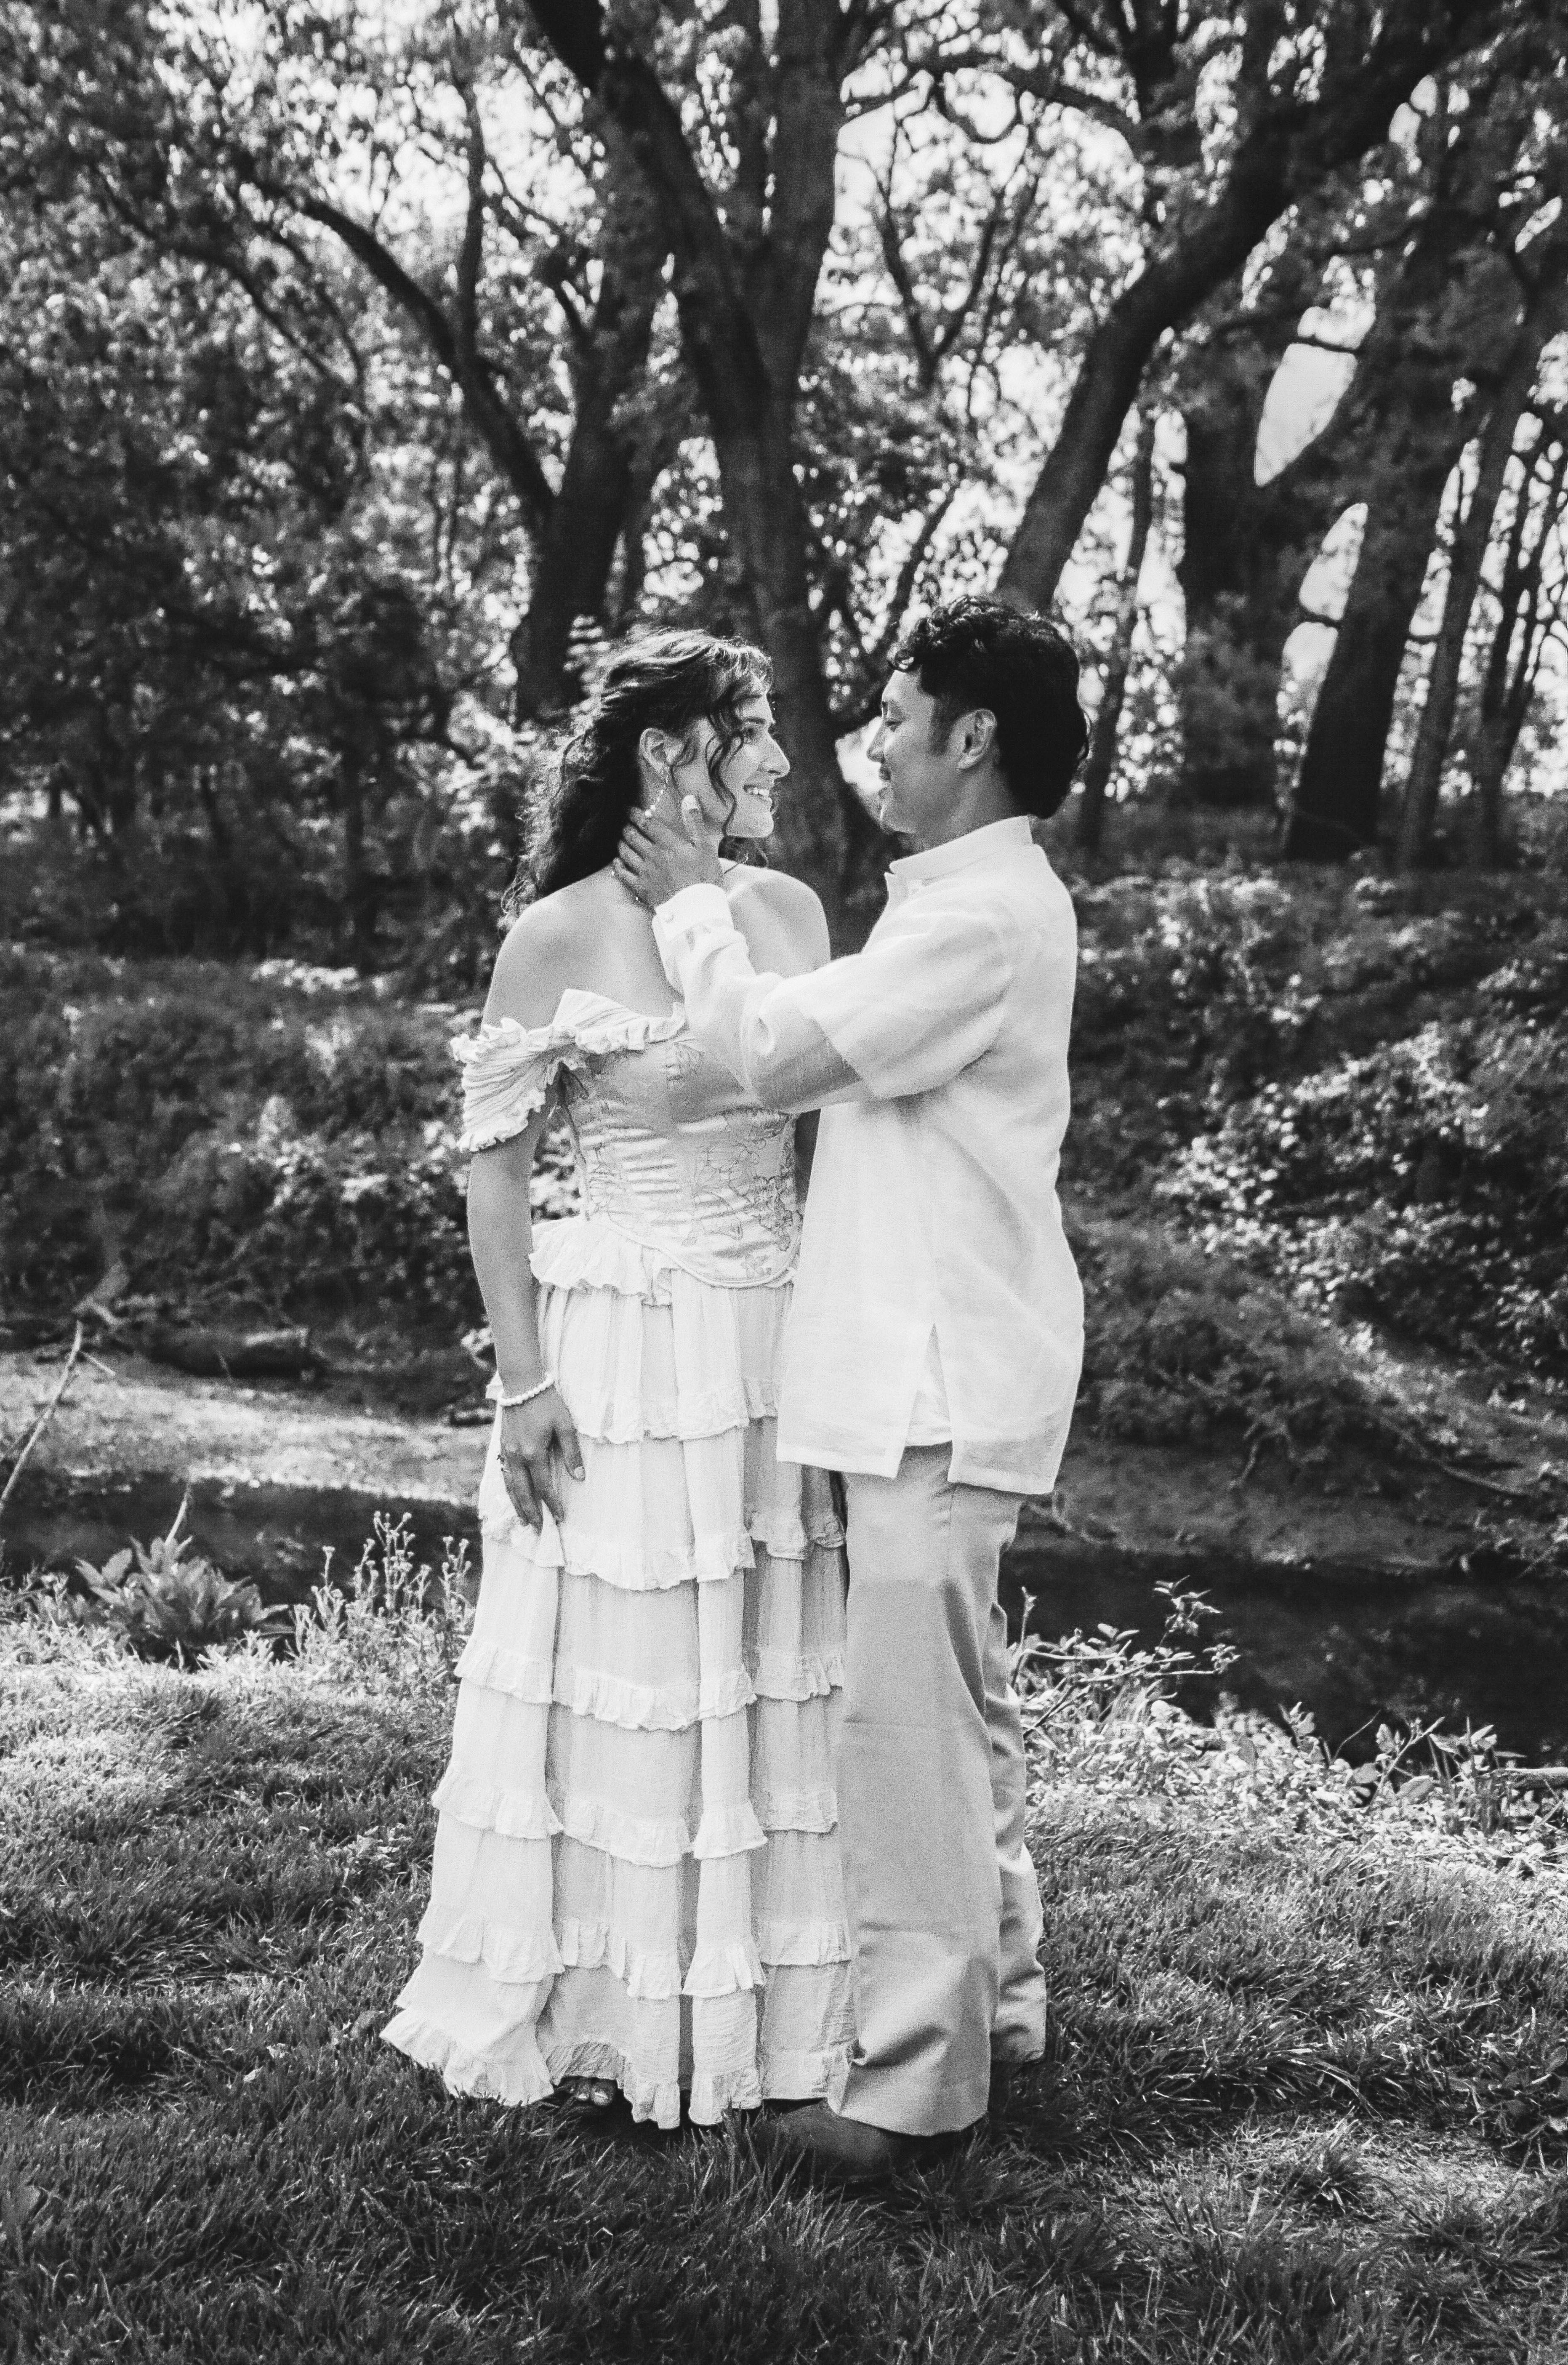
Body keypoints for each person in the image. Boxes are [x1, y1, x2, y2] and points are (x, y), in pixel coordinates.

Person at [613, 594, 1087, 2184]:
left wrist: (693, 911)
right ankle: (1002, 2002)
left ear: (974, 736)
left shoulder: (979, 920)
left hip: (936, 1381)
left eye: (897, 718)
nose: (873, 744)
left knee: (909, 1736)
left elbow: (771, 1054)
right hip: (933, 1370)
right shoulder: (967, 898)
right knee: (961, 1706)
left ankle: (912, 2090)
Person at [384, 632, 853, 2128]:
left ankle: (778, 2015)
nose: (778, 755)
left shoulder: (789, 913)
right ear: (668, 751)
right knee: (638, 1674)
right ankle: (615, 2009)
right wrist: (521, 1382)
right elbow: (494, 1174)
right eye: (751, 727)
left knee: (773, 1660)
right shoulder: (557, 936)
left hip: (775, 1346)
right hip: (628, 1358)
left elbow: (841, 1139)